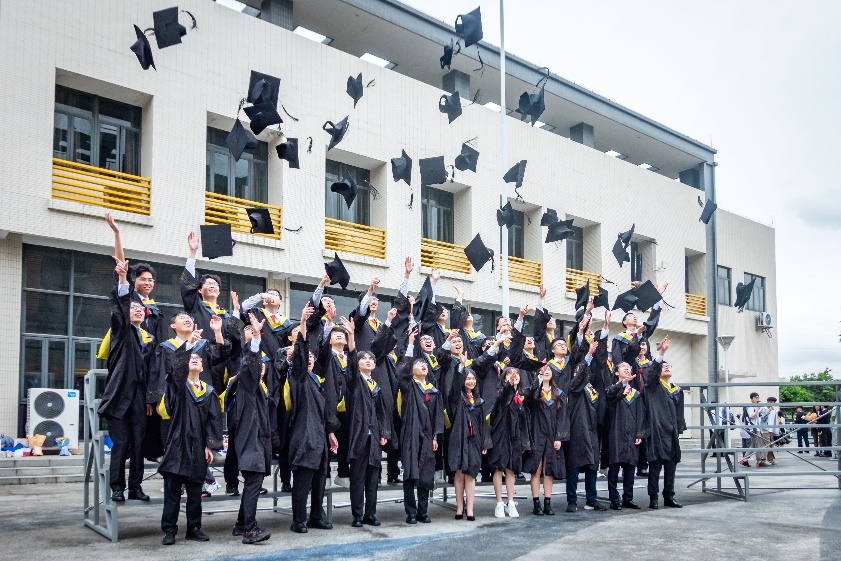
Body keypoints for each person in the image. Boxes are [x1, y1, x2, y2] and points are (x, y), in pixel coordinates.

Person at [99, 257, 154, 503]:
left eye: (140, 309)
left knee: (138, 444)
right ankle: (117, 487)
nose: (138, 310)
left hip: (139, 399)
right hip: (120, 396)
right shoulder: (121, 333)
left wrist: (150, 398)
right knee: (121, 444)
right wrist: (123, 278)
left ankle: (136, 487)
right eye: (133, 308)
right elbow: (120, 305)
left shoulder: (149, 340)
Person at [157, 345, 222, 545]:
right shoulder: (178, 387)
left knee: (195, 492)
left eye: (198, 359)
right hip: (177, 446)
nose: (194, 359)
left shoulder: (209, 392)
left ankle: (194, 528)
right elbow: (176, 372)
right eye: (190, 358)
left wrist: (209, 446)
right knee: (172, 493)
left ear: (202, 367)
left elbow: (213, 420)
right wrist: (188, 347)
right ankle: (169, 530)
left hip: (198, 447)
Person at [288, 303, 340, 533]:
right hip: (303, 435)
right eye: (305, 356)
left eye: (311, 356)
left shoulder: (318, 380)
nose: (309, 358)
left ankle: (316, 516)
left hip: (320, 435)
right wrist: (302, 323)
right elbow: (300, 352)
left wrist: (330, 432)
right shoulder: (297, 378)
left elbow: (324, 356)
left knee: (320, 479)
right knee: (303, 480)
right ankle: (298, 520)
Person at [228, 313, 273, 544]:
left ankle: (240, 524)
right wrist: (255, 339)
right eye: (258, 365)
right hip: (250, 444)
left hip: (258, 444)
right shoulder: (246, 385)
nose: (261, 368)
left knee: (252, 485)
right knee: (253, 485)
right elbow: (250, 365)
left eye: (263, 366)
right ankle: (249, 530)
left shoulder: (260, 389)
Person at [345, 318, 393, 528]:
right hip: (359, 437)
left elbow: (383, 413)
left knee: (373, 479)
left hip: (374, 439)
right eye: (363, 359)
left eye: (370, 359)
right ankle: (357, 515)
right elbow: (351, 360)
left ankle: (370, 514)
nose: (367, 361)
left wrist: (384, 433)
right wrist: (351, 336)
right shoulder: (355, 382)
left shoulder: (376, 386)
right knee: (357, 479)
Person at [399, 326, 445, 524]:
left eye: (424, 364)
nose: (423, 366)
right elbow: (402, 372)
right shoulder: (408, 387)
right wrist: (410, 344)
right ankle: (410, 512)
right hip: (411, 434)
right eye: (418, 364)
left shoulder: (433, 390)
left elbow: (438, 416)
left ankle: (423, 512)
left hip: (428, 437)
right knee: (410, 474)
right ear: (412, 370)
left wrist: (435, 436)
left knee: (426, 474)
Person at [645, 336, 685, 509]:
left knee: (671, 467)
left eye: (669, 366)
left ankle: (669, 496)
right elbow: (652, 374)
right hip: (657, 432)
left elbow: (680, 413)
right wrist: (661, 352)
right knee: (655, 467)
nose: (667, 367)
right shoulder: (653, 386)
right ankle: (653, 497)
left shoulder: (677, 390)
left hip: (671, 433)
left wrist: (678, 430)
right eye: (663, 366)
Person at [449, 359, 492, 520]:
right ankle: (459, 508)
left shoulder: (479, 401)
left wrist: (484, 443)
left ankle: (470, 509)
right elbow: (454, 386)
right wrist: (461, 367)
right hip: (459, 439)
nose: (471, 381)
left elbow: (483, 424)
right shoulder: (457, 398)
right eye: (468, 378)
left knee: (472, 473)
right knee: (459, 473)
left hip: (474, 440)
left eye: (473, 378)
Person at [564, 340, 604, 512]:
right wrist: (588, 355)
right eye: (580, 372)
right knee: (573, 467)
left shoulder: (592, 390)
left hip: (592, 432)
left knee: (592, 467)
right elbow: (580, 377)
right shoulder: (573, 388)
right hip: (577, 431)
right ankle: (572, 500)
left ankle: (591, 500)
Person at [524, 364, 568, 516]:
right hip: (537, 433)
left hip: (552, 435)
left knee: (548, 470)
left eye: (548, 370)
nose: (546, 372)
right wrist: (539, 380)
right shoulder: (535, 392)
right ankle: (536, 503)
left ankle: (548, 502)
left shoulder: (558, 393)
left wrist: (559, 437)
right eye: (543, 371)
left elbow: (562, 417)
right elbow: (530, 399)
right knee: (536, 469)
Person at [605, 362, 647, 510]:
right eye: (623, 367)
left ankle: (628, 498)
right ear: (616, 373)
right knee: (614, 468)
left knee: (630, 468)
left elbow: (640, 415)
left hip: (632, 434)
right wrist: (622, 384)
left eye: (629, 367)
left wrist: (639, 433)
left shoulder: (635, 394)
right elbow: (610, 396)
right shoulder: (612, 389)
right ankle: (614, 499)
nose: (627, 369)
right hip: (616, 433)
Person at [489, 364, 530, 518]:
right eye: (509, 373)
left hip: (515, 437)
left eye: (516, 373)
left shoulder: (522, 396)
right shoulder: (501, 394)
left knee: (511, 469)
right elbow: (506, 395)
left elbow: (525, 421)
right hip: (500, 436)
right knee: (499, 468)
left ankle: (511, 502)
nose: (514, 375)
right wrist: (510, 385)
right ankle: (499, 503)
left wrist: (524, 441)